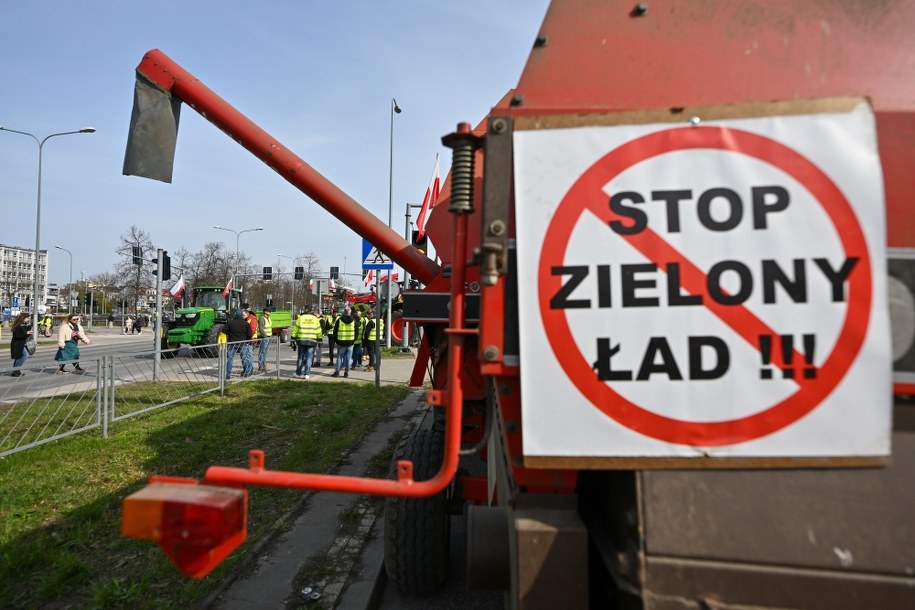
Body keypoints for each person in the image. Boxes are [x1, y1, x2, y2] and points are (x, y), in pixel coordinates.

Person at [291, 307, 322, 379]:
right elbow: (318, 330)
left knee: (300, 358)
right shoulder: (315, 319)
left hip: (301, 340)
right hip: (312, 340)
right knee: (309, 358)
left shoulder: (300, 318)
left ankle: (298, 373)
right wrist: (320, 339)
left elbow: (296, 329)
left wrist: (293, 338)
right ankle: (307, 374)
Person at [225, 309, 254, 379]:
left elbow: (224, 331)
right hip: (243, 343)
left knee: (230, 359)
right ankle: (246, 372)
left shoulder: (230, 323)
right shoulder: (246, 323)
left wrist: (230, 333)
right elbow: (249, 334)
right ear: (241, 315)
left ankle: (228, 374)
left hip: (232, 343)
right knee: (244, 358)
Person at [332, 307, 356, 378]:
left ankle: (337, 372)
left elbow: (335, 331)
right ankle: (346, 372)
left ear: (344, 312)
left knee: (339, 357)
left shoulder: (339, 320)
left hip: (341, 342)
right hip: (350, 342)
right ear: (350, 313)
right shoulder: (353, 320)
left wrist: (337, 340)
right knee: (348, 357)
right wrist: (354, 340)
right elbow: (356, 332)